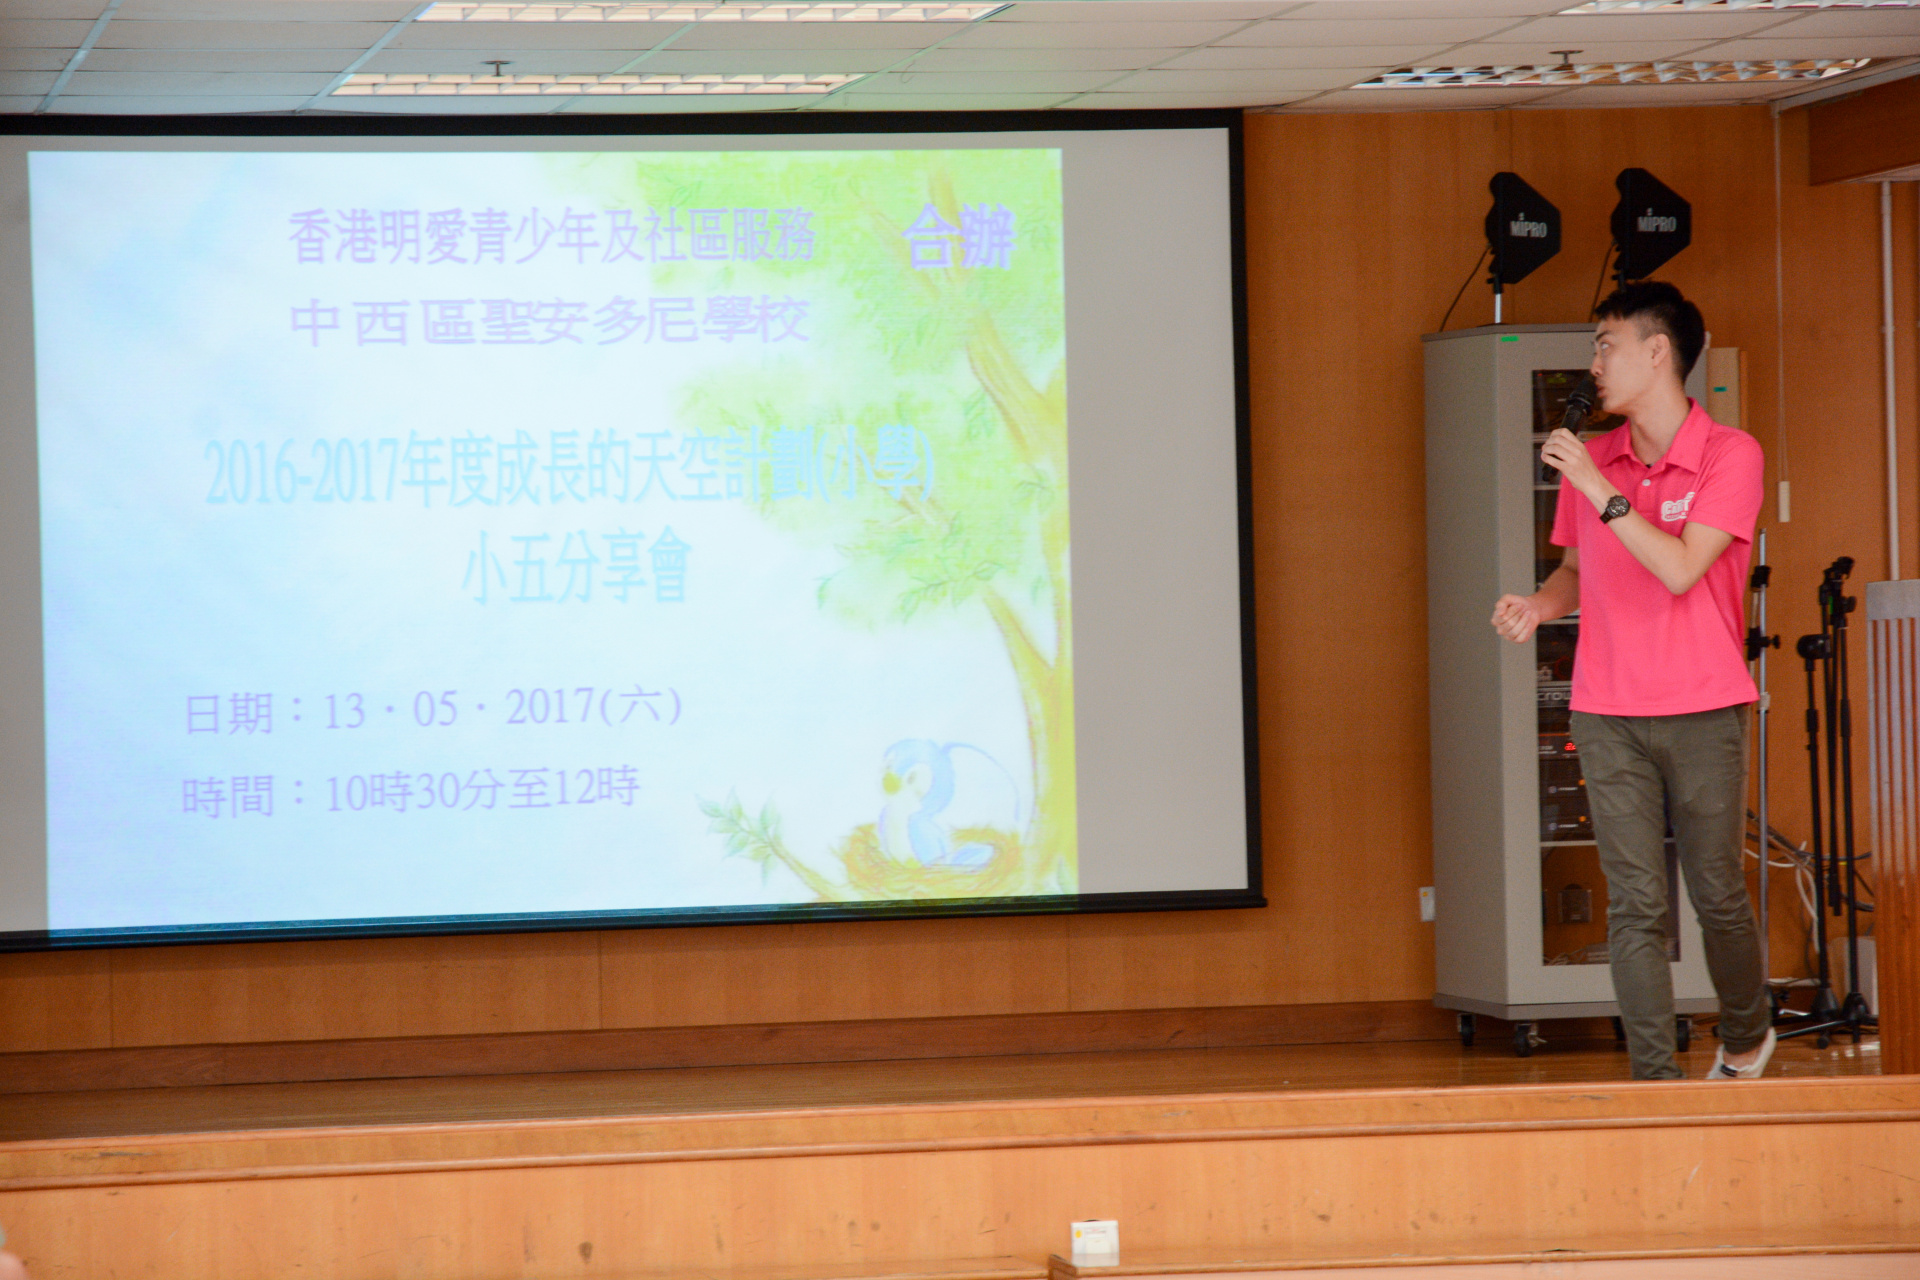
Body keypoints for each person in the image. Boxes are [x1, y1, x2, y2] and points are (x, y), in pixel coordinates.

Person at [1490, 280, 1774, 1081]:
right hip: (1606, 708)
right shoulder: (1599, 460)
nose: (1594, 363)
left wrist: (1597, 486)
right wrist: (1538, 606)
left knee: (1716, 892)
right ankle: (1656, 1084)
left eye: (1605, 345)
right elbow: (1575, 572)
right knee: (1636, 903)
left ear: (1657, 353)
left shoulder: (1730, 454)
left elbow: (1681, 569)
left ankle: (1747, 1036)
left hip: (1704, 705)